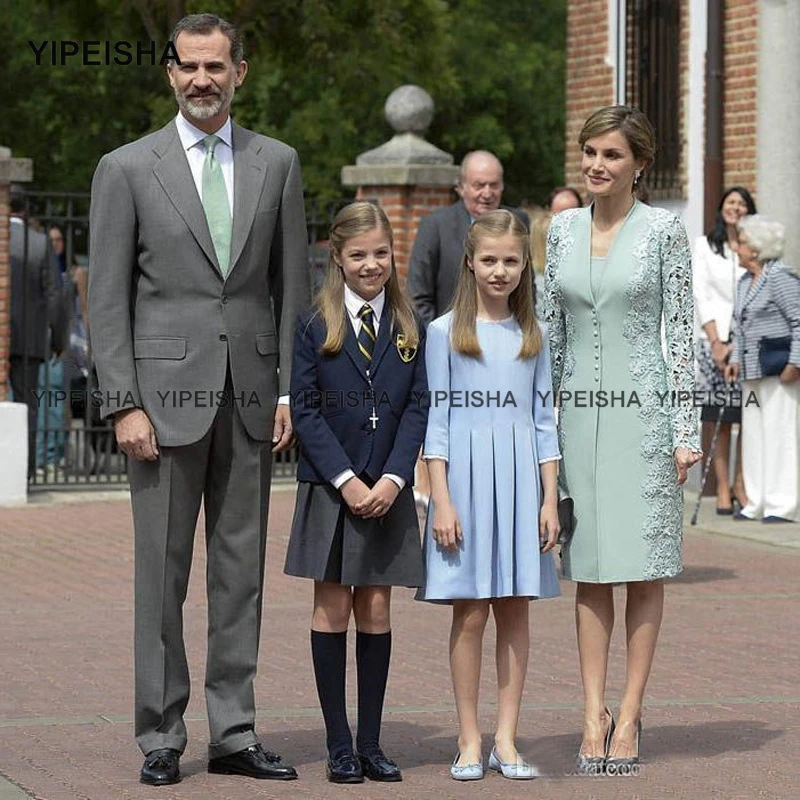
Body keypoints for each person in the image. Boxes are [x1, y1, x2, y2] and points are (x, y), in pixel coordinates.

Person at [88, 13, 309, 786]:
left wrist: (286, 388)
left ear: (240, 72)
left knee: (239, 573)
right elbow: (106, 300)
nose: (203, 80)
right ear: (170, 72)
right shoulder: (126, 168)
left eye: (216, 67)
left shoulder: (277, 163)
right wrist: (123, 403)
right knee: (162, 573)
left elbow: (290, 290)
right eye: (189, 67)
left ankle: (235, 732)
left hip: (250, 400)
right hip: (160, 403)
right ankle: (160, 734)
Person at [543, 106, 702, 775]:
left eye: (611, 155)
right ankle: (591, 710)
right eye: (589, 153)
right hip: (576, 418)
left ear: (639, 163)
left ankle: (631, 710)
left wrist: (685, 431)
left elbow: (681, 333)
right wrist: (540, 431)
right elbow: (551, 333)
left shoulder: (665, 231)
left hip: (646, 419)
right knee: (589, 570)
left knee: (640, 568)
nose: (597, 166)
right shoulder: (559, 230)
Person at [284, 202, 428, 784]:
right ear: (337, 258)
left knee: (375, 607)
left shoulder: (409, 323)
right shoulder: (313, 323)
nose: (371, 264)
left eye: (380, 253)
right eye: (358, 255)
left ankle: (371, 742)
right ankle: (338, 743)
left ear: (393, 256)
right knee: (333, 607)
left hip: (388, 490)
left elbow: (418, 406)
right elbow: (307, 410)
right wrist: (347, 481)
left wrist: (394, 478)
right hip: (332, 488)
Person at [418, 209, 561, 781]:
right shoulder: (444, 332)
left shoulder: (535, 334)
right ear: (470, 263)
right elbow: (438, 421)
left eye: (511, 260)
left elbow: (545, 420)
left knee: (515, 610)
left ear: (525, 264)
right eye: (490, 260)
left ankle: (507, 737)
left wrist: (550, 499)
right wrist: (440, 498)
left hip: (522, 484)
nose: (500, 271)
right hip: (466, 488)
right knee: (470, 611)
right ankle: (469, 738)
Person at [725, 215, 800, 522]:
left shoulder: (780, 276)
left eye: (741, 242)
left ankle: (781, 504)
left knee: (780, 433)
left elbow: (798, 320)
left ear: (756, 248)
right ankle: (755, 501)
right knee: (754, 434)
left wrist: (795, 363)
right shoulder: (745, 281)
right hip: (751, 373)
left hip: (779, 371)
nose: (736, 247)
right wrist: (733, 362)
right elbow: (738, 326)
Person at [407, 150, 530, 326]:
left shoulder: (519, 222)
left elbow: (527, 287)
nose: (487, 194)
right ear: (461, 187)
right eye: (479, 185)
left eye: (493, 185)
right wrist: (436, 338)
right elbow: (418, 295)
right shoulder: (436, 226)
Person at [692, 187, 756, 513]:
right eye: (731, 202)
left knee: (747, 414)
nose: (737, 207)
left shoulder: (753, 248)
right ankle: (721, 487)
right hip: (712, 341)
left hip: (747, 341)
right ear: (721, 208)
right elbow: (701, 294)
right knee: (719, 414)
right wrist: (717, 342)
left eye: (742, 203)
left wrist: (740, 342)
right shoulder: (704, 246)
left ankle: (742, 483)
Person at [8, 192, 63, 478]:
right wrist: (58, 340)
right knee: (27, 406)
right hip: (28, 340)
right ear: (25, 211)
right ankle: (24, 473)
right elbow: (55, 296)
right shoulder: (40, 244)